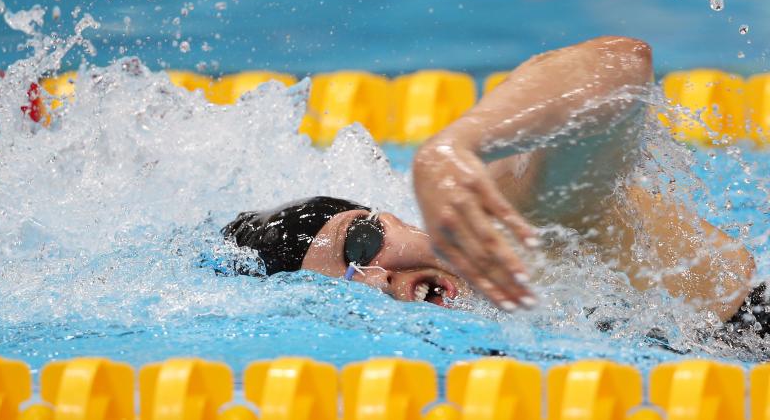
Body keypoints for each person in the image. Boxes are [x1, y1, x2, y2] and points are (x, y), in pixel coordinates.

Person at [221, 36, 758, 331]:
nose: (375, 279)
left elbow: (620, 65)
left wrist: (451, 149)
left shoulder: (518, 215)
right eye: (339, 291)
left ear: (392, 217)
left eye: (362, 243)